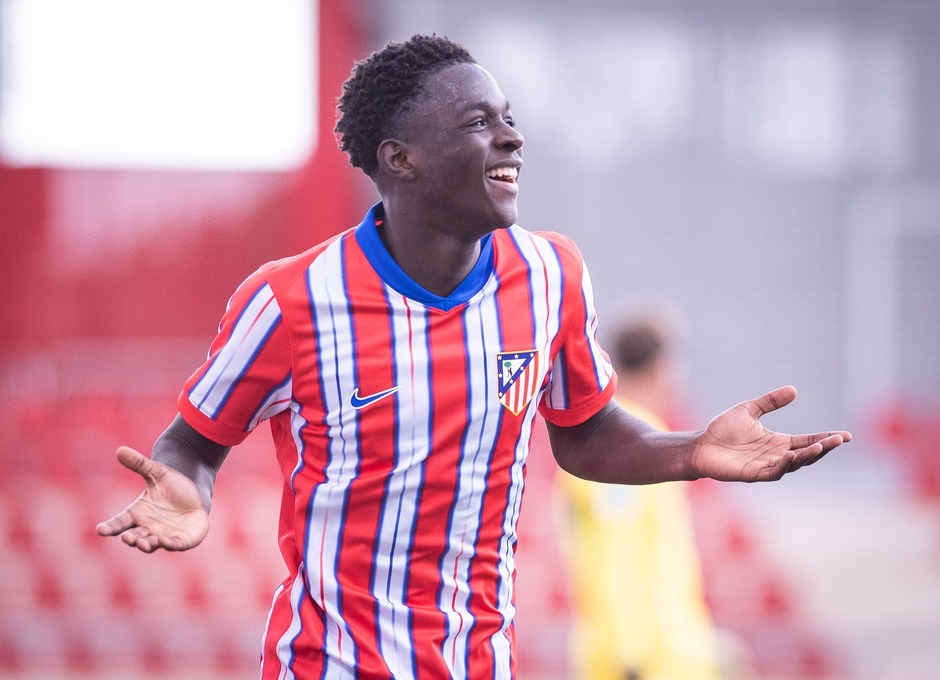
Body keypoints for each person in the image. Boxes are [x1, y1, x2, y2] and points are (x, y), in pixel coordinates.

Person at [96, 34, 851, 680]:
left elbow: (584, 430)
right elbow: (193, 444)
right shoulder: (288, 301)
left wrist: (691, 450)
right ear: (402, 159)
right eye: (479, 123)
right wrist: (188, 485)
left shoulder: (552, 273)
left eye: (511, 121)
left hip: (481, 661)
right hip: (328, 663)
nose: (513, 139)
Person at [553, 312, 726, 680]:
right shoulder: (622, 448)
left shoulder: (639, 440)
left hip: (663, 655)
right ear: (661, 367)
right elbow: (619, 552)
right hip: (644, 662)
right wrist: (628, 654)